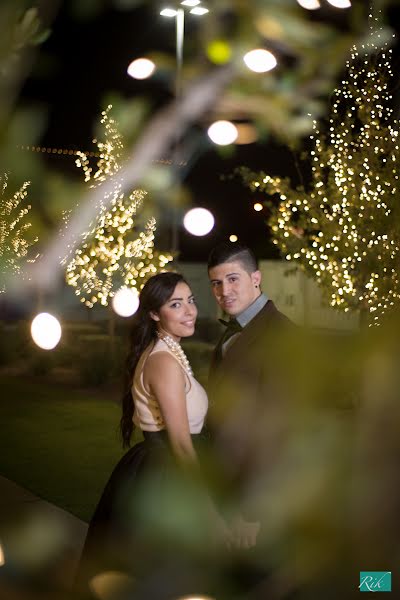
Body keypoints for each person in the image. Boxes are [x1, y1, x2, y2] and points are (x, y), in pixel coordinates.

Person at [75, 272, 230, 600]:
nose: (189, 310)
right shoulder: (163, 362)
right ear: (155, 314)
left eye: (190, 300)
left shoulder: (168, 352)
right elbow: (181, 442)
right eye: (176, 304)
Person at [207, 242, 294, 598]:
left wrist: (253, 512)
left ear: (256, 278)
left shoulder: (280, 336)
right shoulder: (237, 332)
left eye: (233, 279)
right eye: (216, 283)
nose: (224, 291)